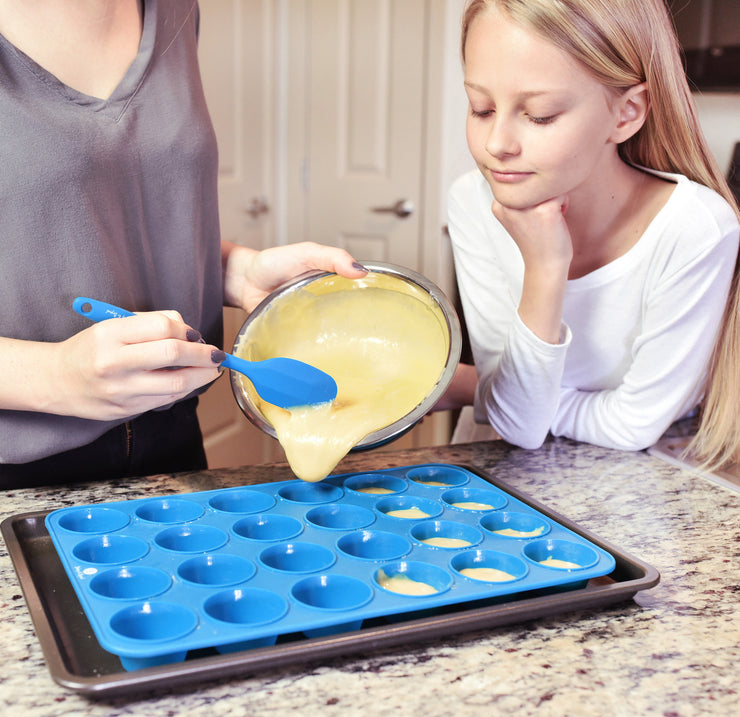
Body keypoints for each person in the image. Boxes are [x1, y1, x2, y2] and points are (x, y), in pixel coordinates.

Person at [0, 0, 366, 489]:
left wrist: (237, 271)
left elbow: (102, 223)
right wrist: (55, 376)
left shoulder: (176, 11)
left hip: (171, 442)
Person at [440, 0, 740, 456]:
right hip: (495, 471)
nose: (496, 144)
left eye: (539, 115)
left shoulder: (695, 229)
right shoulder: (472, 200)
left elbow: (631, 427)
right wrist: (545, 271)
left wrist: (476, 389)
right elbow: (515, 422)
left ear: (626, 113)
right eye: (481, 108)